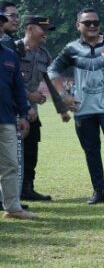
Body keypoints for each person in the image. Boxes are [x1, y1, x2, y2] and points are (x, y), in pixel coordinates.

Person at [49, 8, 104, 207]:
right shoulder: (72, 48)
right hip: (83, 110)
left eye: (95, 22)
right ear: (78, 26)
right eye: (87, 22)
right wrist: (64, 95)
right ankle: (100, 191)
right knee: (91, 151)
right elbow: (52, 69)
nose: (92, 26)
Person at [17, 16, 68, 201]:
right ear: (30, 29)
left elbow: (50, 82)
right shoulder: (13, 49)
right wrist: (28, 95)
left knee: (31, 153)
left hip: (32, 112)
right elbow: (7, 80)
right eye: (43, 29)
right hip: (12, 109)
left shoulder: (45, 54)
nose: (46, 33)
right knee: (10, 153)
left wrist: (61, 109)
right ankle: (9, 192)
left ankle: (27, 189)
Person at [0, 13, 35, 220]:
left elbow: (18, 89)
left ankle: (12, 207)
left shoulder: (10, 55)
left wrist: (24, 113)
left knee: (10, 165)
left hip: (6, 119)